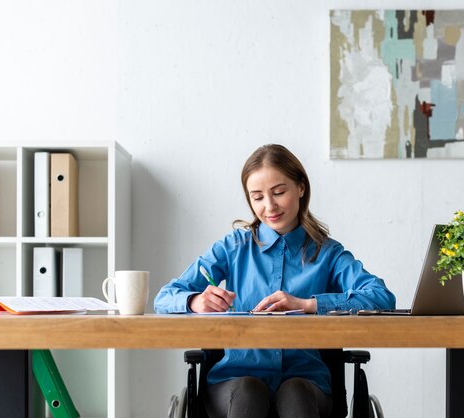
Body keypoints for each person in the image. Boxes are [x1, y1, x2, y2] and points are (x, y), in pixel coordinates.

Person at [154, 144, 396, 418]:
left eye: (279, 192)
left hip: (305, 381)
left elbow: (381, 296)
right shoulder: (233, 248)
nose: (269, 206)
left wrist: (308, 304)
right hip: (234, 380)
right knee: (249, 391)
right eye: (257, 197)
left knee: (295, 394)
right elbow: (164, 297)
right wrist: (195, 300)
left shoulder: (327, 253)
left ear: (301, 187)